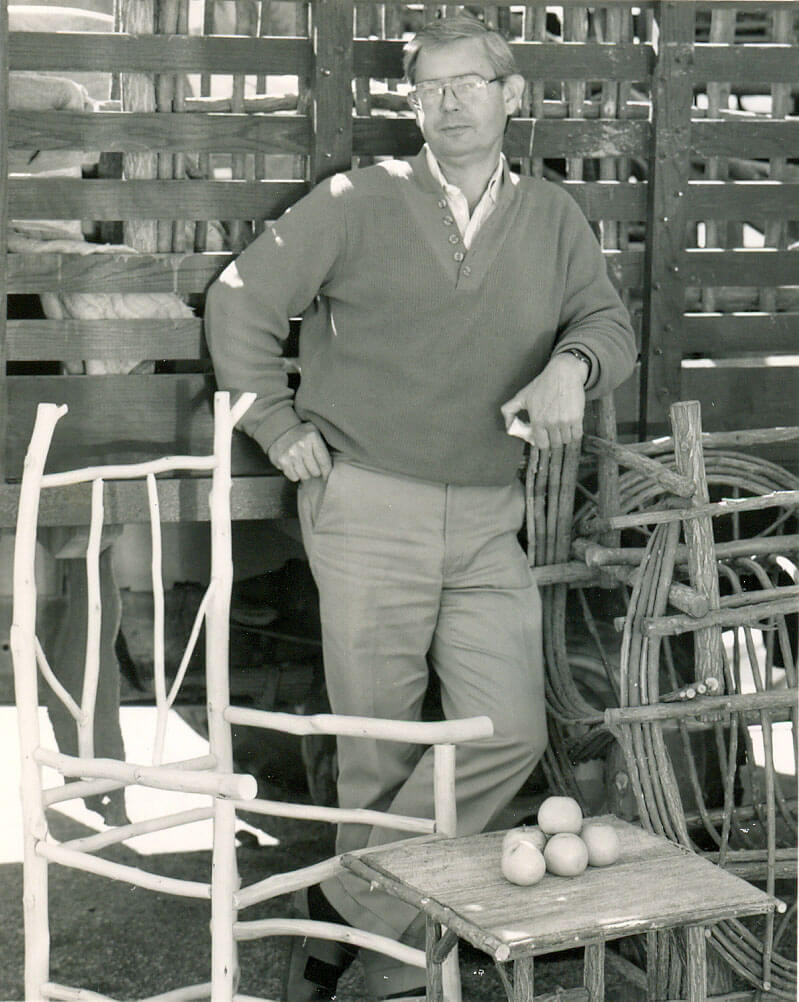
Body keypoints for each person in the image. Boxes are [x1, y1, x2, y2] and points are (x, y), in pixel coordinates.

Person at [205, 14, 636, 1000]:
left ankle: (346, 916)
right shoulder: (357, 201)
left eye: (469, 84)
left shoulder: (553, 219)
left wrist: (574, 364)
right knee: (377, 747)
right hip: (368, 506)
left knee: (507, 733)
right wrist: (273, 425)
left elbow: (607, 321)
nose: (448, 104)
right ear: (414, 103)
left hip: (491, 513)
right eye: (429, 88)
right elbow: (239, 302)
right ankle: (395, 970)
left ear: (509, 95)